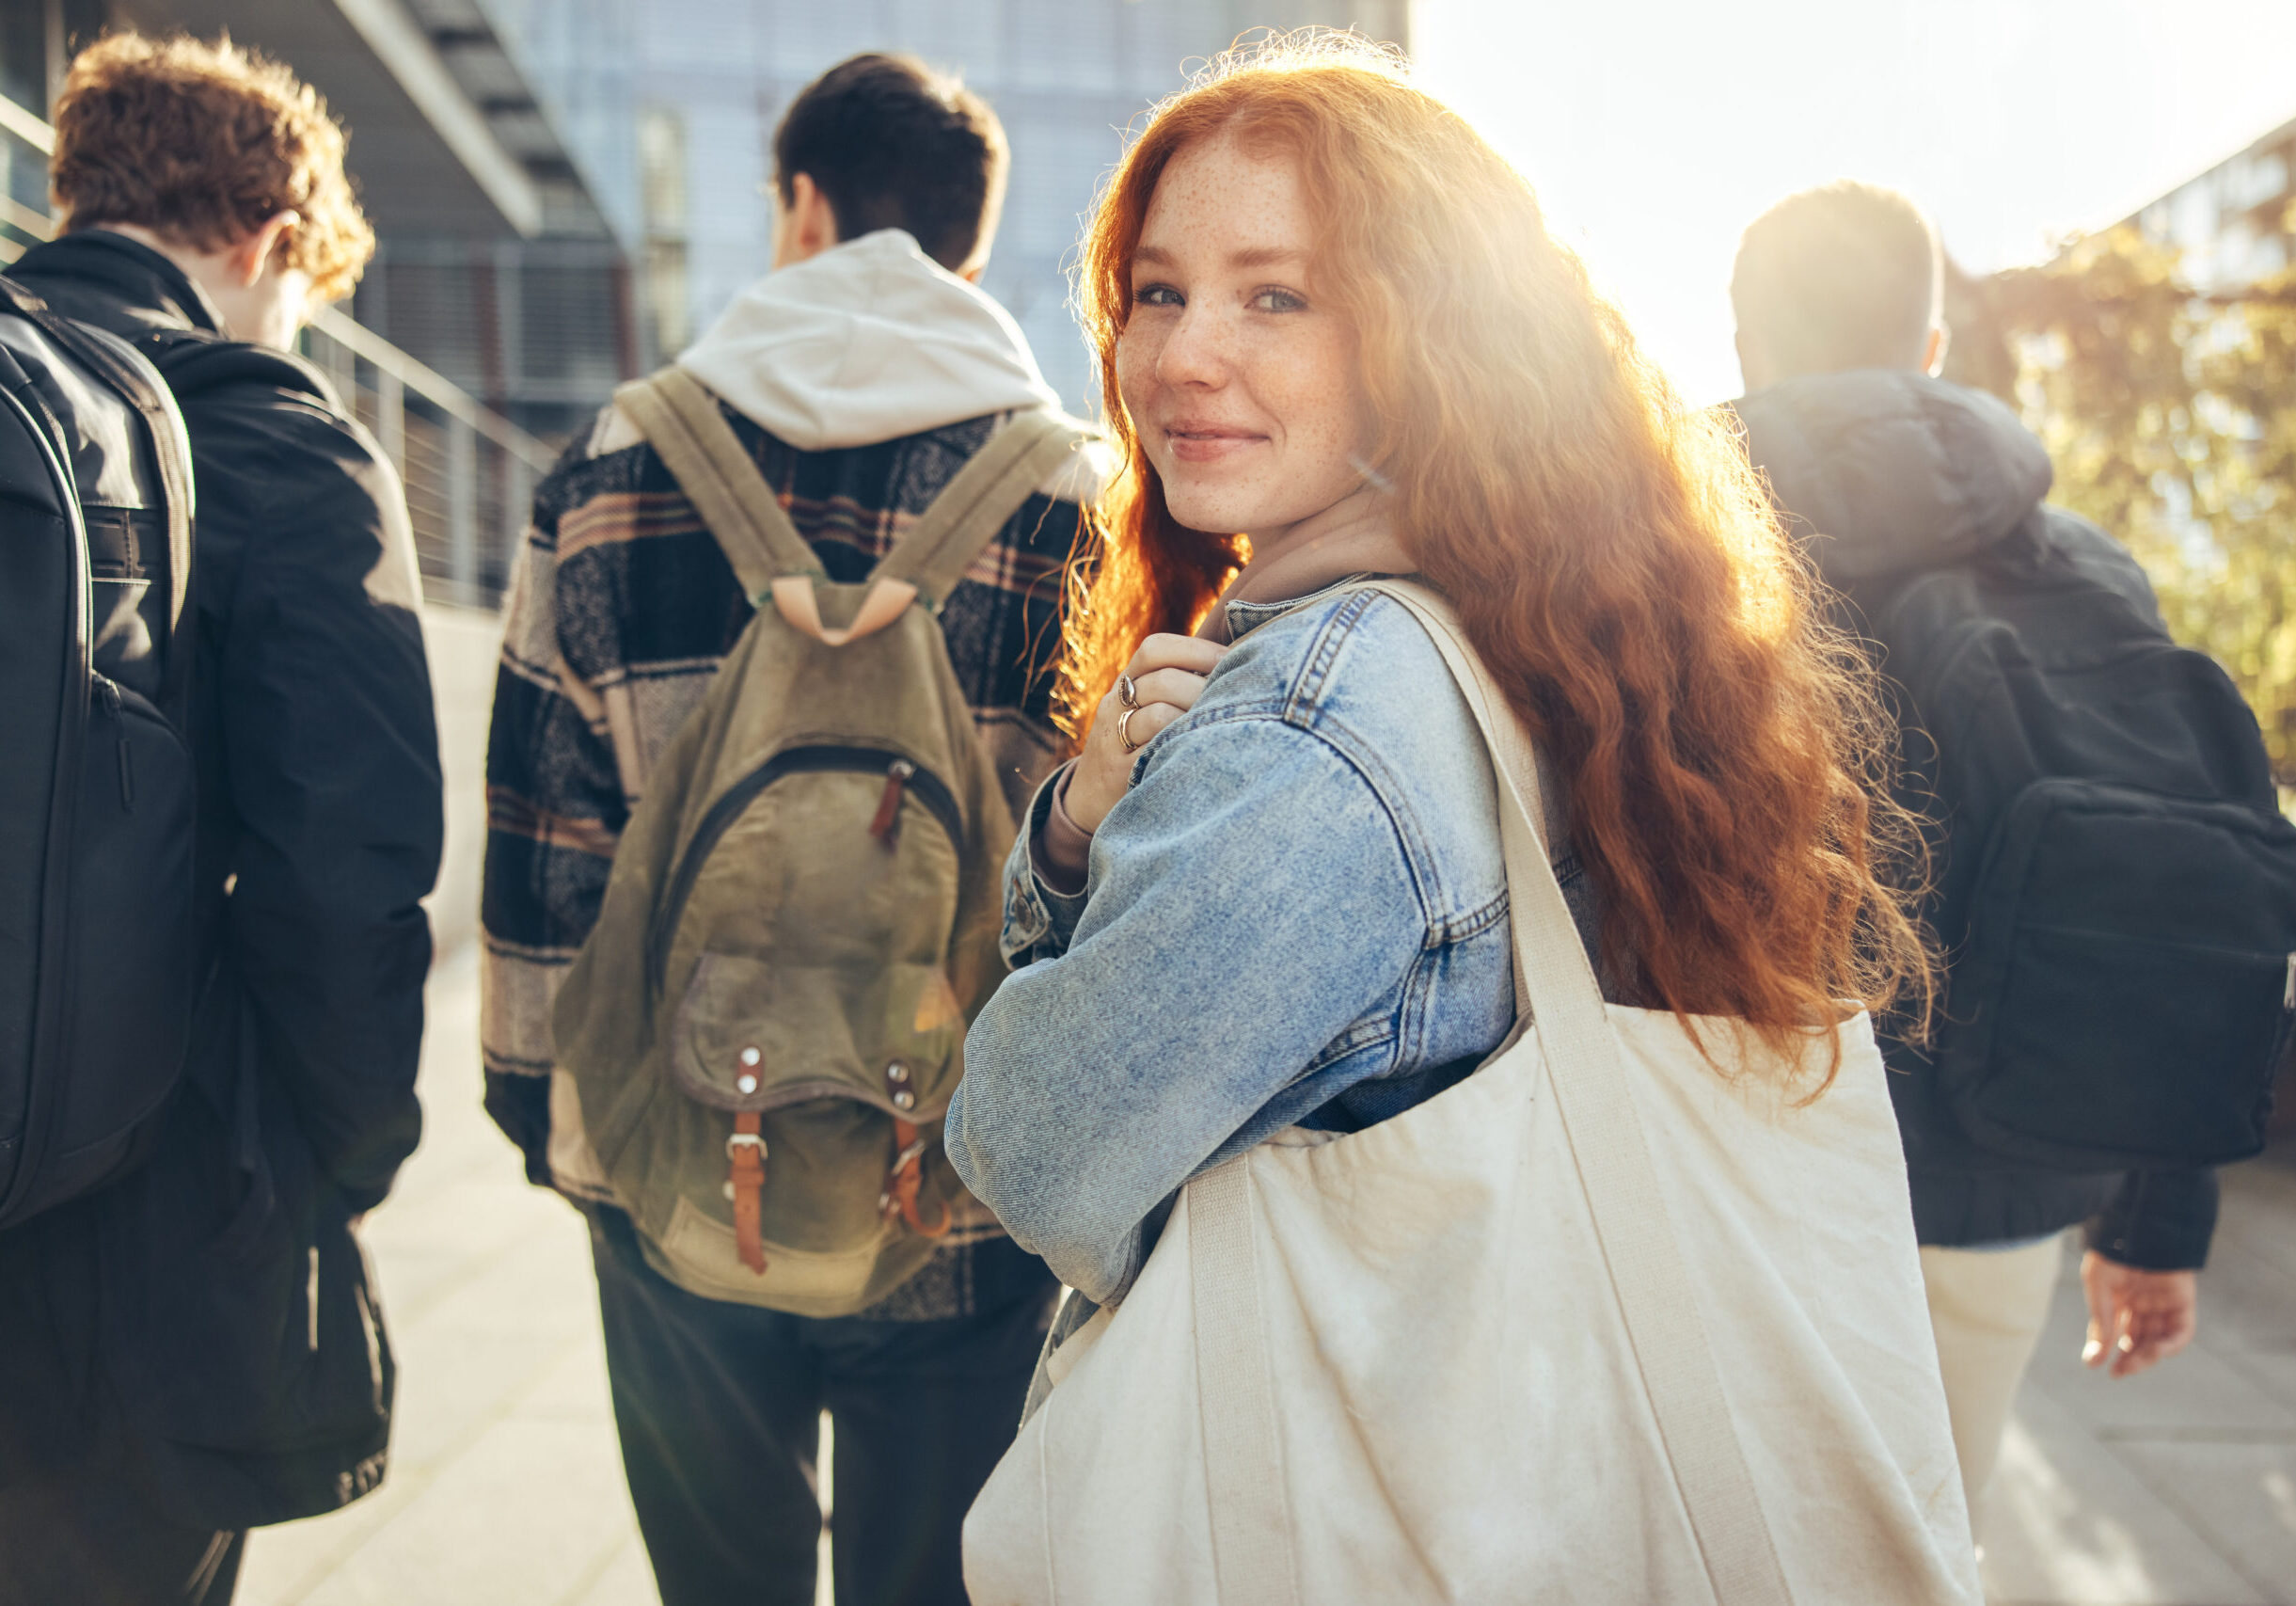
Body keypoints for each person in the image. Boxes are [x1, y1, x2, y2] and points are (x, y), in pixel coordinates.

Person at [942, 32, 1957, 1584]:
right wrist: (1094, 825)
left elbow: (1033, 1147)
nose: (1180, 356)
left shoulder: (1321, 711)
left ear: (1433, 336)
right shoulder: (1535, 620)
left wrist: (1064, 856)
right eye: (1157, 290)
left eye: (1274, 295)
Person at [480, 52, 1095, 1606]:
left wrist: (541, 1106)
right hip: (952, 1175)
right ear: (965, 239)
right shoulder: (1069, 490)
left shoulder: (618, 459)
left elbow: (538, 824)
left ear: (802, 207)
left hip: (677, 1152)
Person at [0, 32, 442, 1606]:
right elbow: (351, 867)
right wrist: (335, 1165)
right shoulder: (270, 428)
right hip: (145, 1223)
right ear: (268, 244)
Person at [1728, 181, 2230, 1519]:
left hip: (1737, 1167)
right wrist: (2150, 1219)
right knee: (1927, 1549)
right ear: (1931, 351)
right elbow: (2168, 881)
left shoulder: (1677, 563)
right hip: (2010, 1167)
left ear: (1743, 347)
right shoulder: (2085, 564)